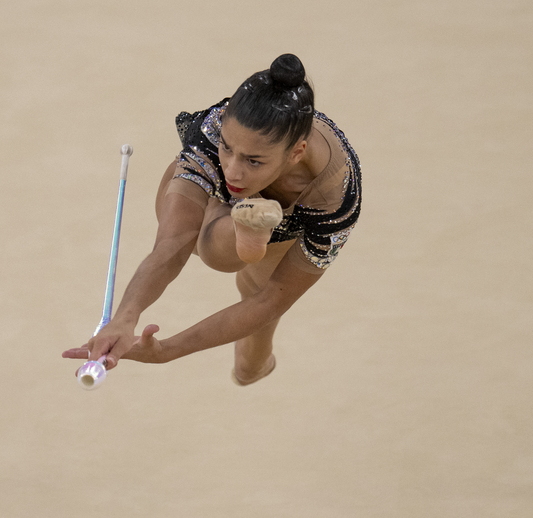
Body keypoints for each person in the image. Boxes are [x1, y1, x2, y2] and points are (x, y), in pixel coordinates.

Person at [62, 54, 362, 385]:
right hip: (209, 186)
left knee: (249, 358)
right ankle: (241, 226)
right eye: (228, 147)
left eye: (253, 160)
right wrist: (124, 318)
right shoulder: (211, 133)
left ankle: (243, 229)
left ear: (296, 153)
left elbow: (269, 301)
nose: (234, 169)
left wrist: (168, 349)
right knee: (208, 249)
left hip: (284, 223)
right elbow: (173, 245)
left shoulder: (335, 198)